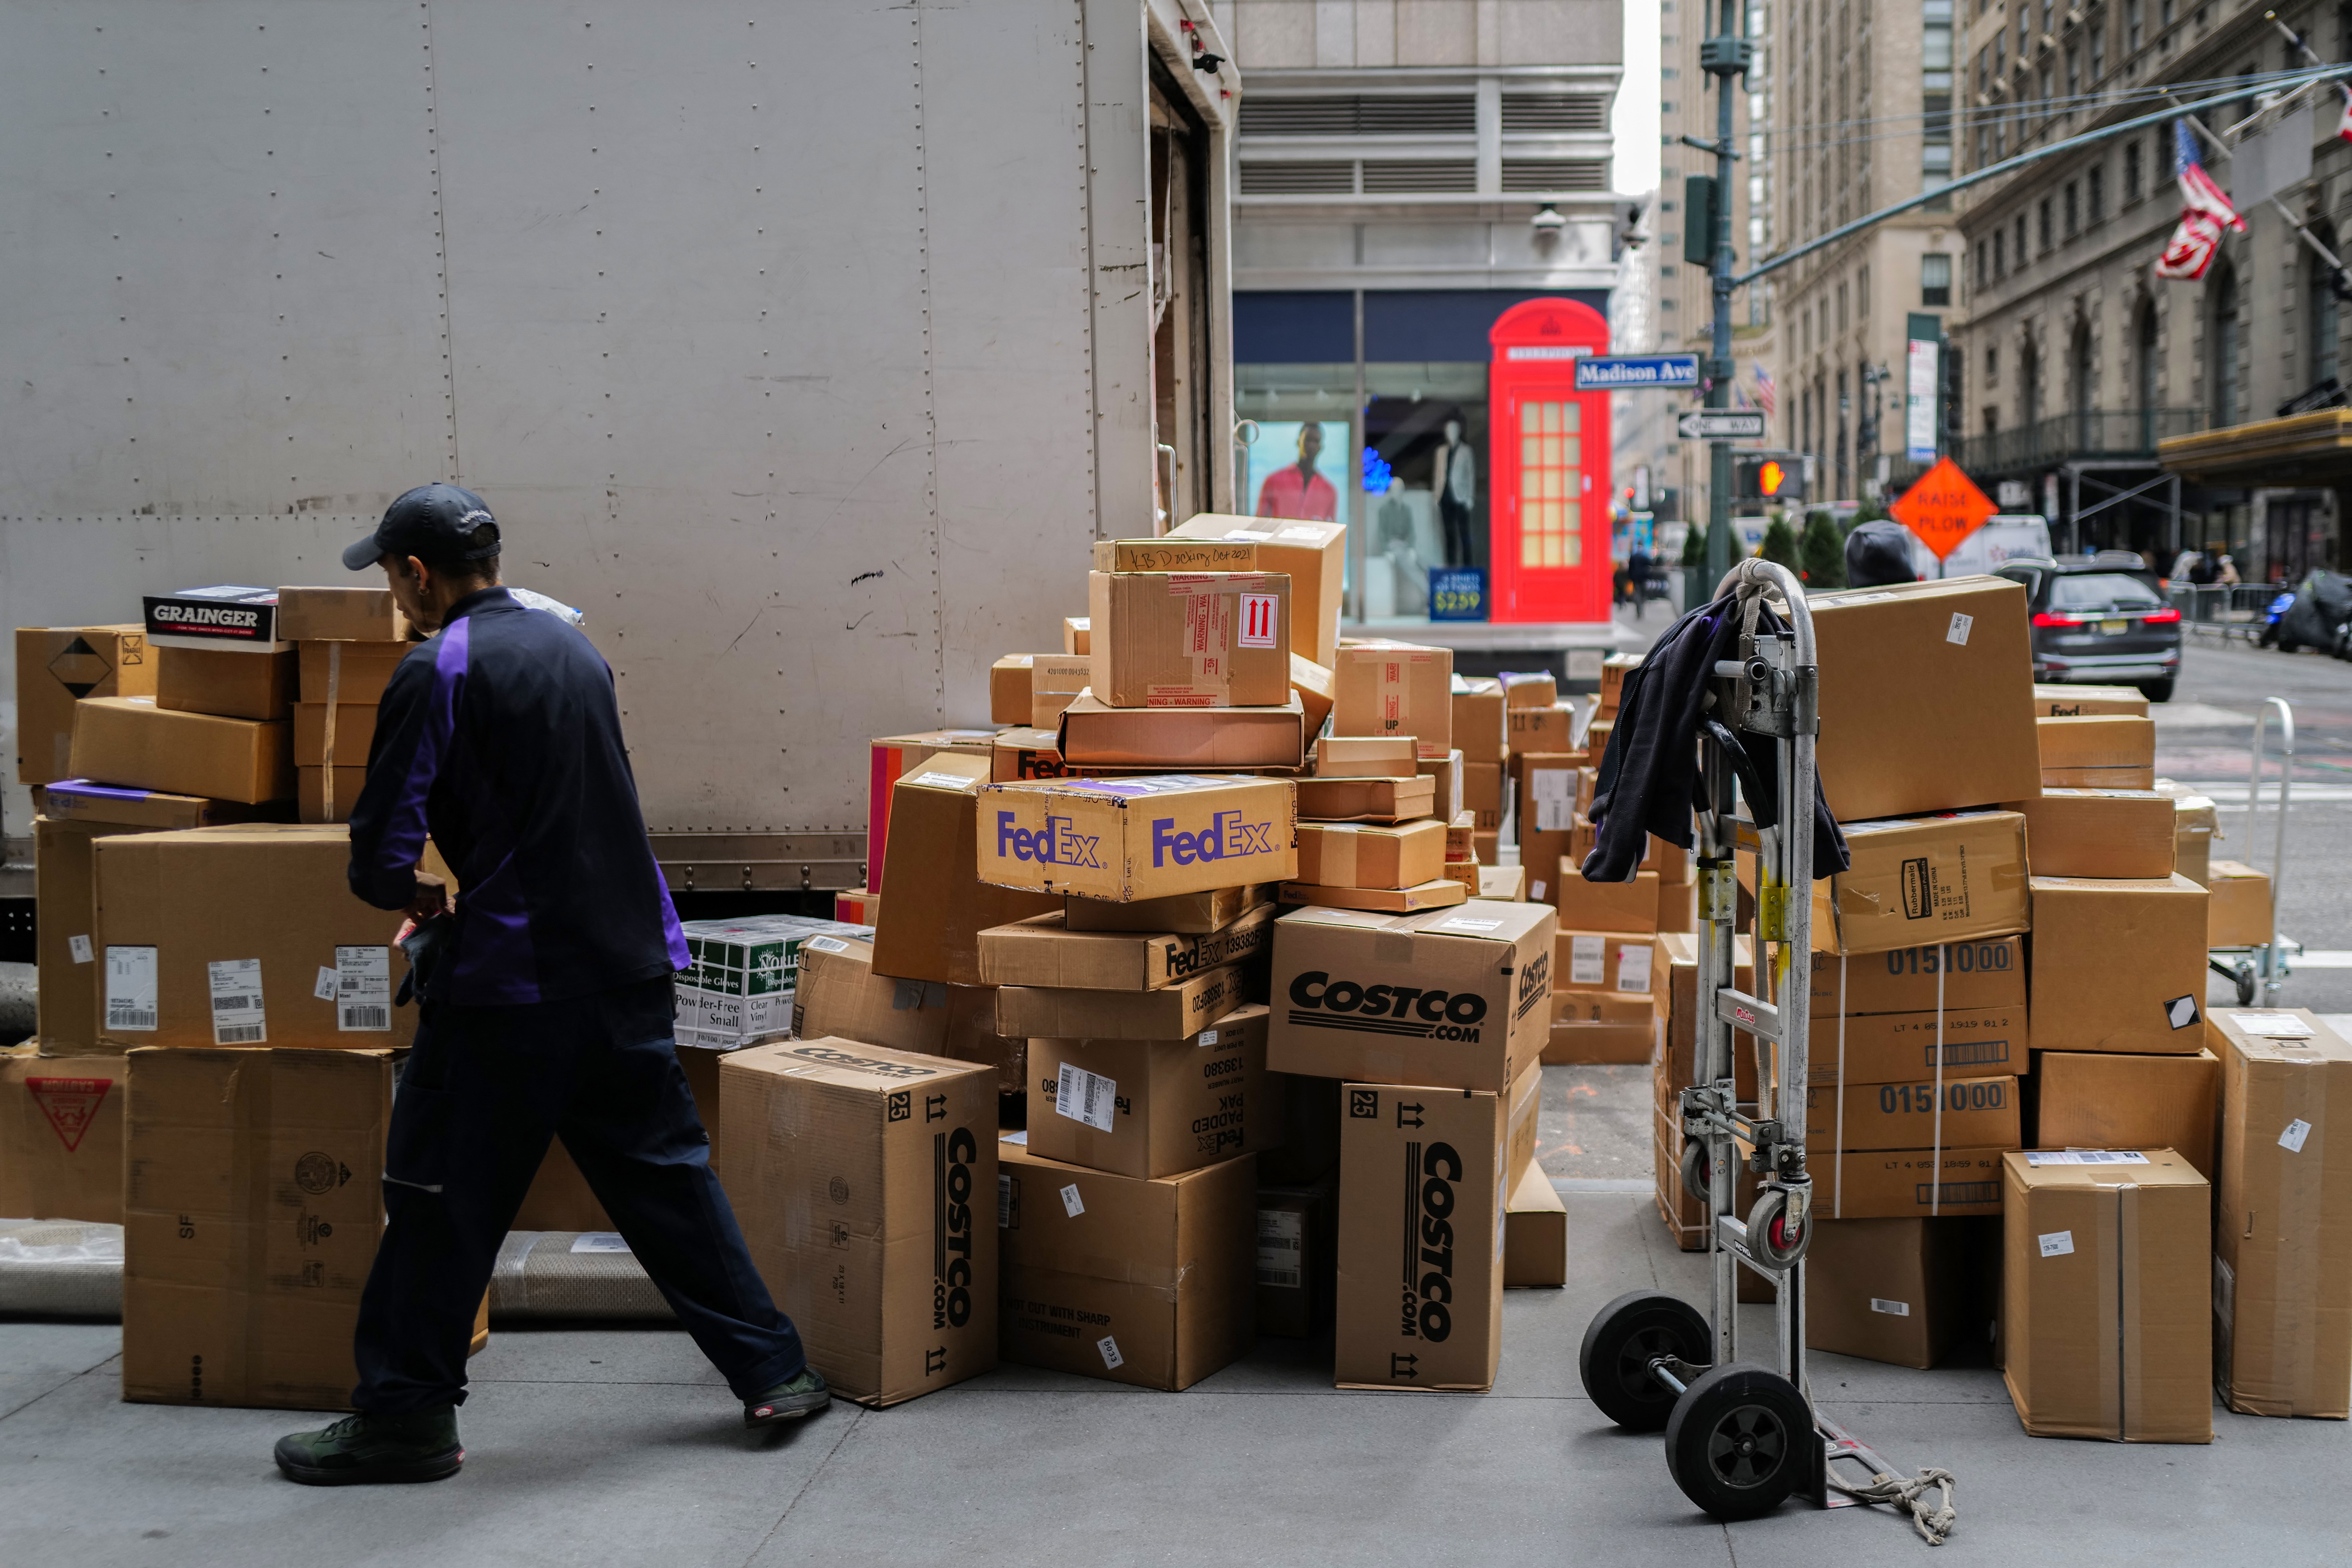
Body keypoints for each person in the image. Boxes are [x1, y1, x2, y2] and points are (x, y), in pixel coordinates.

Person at [272, 486, 824, 1487]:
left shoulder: (436, 665)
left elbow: (380, 854)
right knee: (666, 1180)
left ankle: (404, 1420)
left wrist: (420, 900)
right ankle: (776, 1371)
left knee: (438, 1198)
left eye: (393, 576)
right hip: (627, 964)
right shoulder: (573, 644)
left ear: (419, 575)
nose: (395, 595)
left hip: (511, 991)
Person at [1255, 423, 1339, 522]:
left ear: (1321, 447)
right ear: (1298, 442)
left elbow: (1331, 532)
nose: (1311, 445)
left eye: (1316, 441)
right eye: (1308, 440)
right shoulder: (1273, 481)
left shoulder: (1329, 491)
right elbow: (1260, 524)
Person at [1433, 418, 1476, 566]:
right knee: (1449, 534)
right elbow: (1438, 474)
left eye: (1453, 431)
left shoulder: (1466, 451)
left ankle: (1467, 565)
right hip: (1445, 495)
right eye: (1448, 431)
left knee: (1464, 533)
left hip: (1461, 496)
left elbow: (1471, 475)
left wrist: (1470, 496)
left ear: (1458, 432)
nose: (1451, 434)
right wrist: (1436, 496)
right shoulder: (1441, 452)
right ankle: (1451, 565)